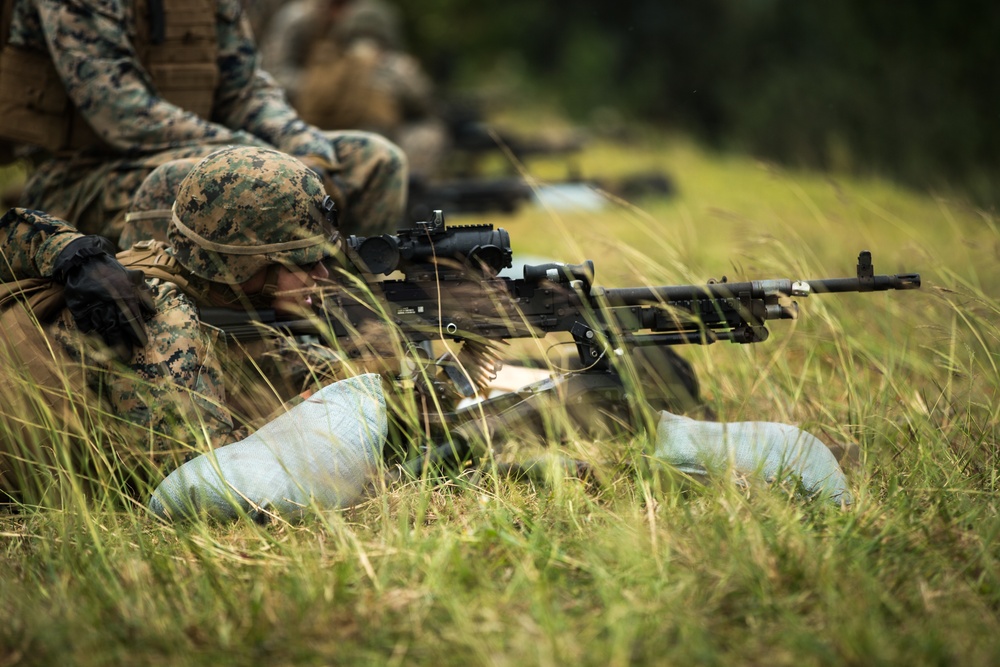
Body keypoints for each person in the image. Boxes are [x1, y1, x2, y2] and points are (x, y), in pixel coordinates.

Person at [0, 146, 398, 506]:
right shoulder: (165, 322)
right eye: (306, 262)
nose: (323, 274)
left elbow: (263, 361)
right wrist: (323, 405)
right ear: (245, 262)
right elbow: (205, 486)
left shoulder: (191, 279)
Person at [0, 0, 407, 246]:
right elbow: (123, 114)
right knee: (230, 181)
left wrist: (305, 147)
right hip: (79, 179)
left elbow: (245, 89)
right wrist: (267, 160)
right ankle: (175, 339)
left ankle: (349, 320)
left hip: (210, 155)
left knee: (375, 159)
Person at [260, 0, 449, 180]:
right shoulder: (298, 18)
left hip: (367, 115)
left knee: (423, 134)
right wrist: (320, 86)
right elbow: (272, 76)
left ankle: (407, 188)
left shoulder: (372, 13)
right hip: (309, 116)